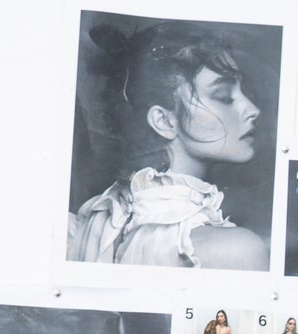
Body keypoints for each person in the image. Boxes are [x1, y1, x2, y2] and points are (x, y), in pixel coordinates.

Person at [67, 23, 270, 270]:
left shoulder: (93, 224)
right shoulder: (238, 251)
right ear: (164, 121)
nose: (252, 110)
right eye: (224, 96)